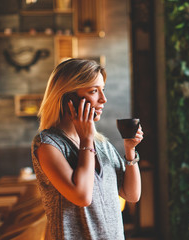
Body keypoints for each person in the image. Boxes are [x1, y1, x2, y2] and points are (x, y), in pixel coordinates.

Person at [31, 58, 143, 240]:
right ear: (68, 98)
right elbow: (82, 196)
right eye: (93, 91)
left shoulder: (101, 144)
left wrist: (130, 150)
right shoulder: (48, 145)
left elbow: (132, 194)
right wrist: (86, 140)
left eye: (103, 90)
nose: (103, 99)